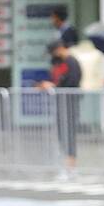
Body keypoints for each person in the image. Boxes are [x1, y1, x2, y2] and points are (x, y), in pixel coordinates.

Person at [37, 39, 82, 179]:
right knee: (62, 136)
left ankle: (71, 168)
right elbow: (56, 79)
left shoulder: (72, 63)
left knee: (69, 136)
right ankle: (66, 167)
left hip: (69, 103)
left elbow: (72, 83)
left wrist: (54, 87)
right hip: (60, 104)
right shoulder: (57, 63)